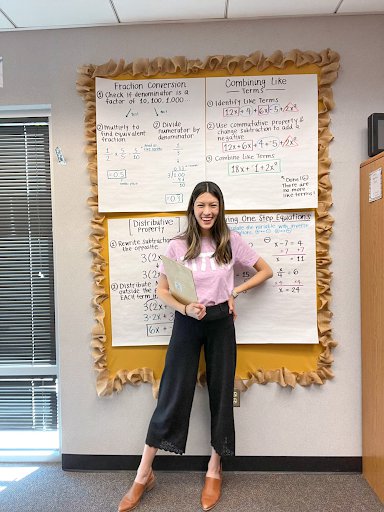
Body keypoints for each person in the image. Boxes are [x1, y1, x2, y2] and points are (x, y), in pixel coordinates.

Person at [118, 181, 273, 512]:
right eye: (201, 205)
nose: (207, 211)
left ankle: (214, 469)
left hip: (220, 322)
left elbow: (265, 270)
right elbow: (163, 290)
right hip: (187, 321)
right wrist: (185, 308)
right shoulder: (178, 245)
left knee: (220, 394)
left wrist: (236, 291)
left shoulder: (230, 242)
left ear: (220, 209)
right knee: (173, 393)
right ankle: (143, 474)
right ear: (192, 208)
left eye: (213, 205)